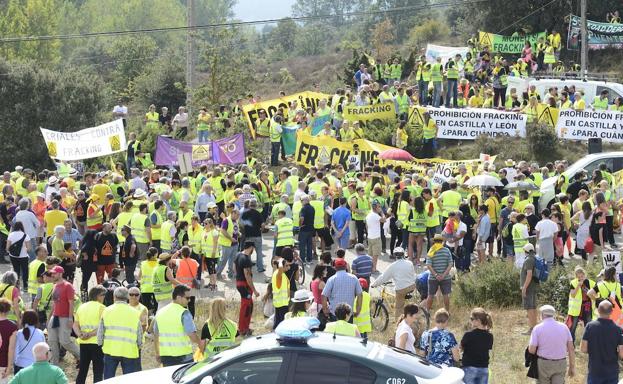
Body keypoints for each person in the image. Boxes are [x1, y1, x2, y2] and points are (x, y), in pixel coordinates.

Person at [98, 287, 142, 378]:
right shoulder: (135, 312)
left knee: (108, 378)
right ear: (127, 297)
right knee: (129, 379)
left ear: (114, 297)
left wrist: (100, 343)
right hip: (129, 350)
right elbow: (139, 333)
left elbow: (101, 331)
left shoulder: (106, 310)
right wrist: (139, 345)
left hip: (110, 350)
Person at [153, 284, 200, 367]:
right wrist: (201, 343)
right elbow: (192, 336)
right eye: (187, 298)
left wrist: (157, 353)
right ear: (178, 297)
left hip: (166, 356)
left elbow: (156, 335)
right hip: (184, 356)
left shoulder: (160, 312)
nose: (189, 300)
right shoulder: (184, 313)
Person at [528, 305, 576, 382]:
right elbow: (571, 349)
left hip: (544, 364)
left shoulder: (537, 328)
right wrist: (572, 367)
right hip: (561, 363)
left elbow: (532, 350)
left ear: (542, 315)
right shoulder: (564, 327)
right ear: (554, 315)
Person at [581, 300, 623, 384]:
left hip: (595, 370)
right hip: (612, 371)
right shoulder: (618, 329)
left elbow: (583, 349)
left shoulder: (590, 326)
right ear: (611, 312)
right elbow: (622, 354)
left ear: (598, 310)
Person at [371, 247, 416, 320]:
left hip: (401, 288)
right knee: (402, 301)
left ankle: (398, 326)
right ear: (403, 255)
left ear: (395, 256)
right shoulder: (409, 263)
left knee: (398, 308)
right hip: (412, 286)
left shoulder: (393, 266)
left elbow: (383, 277)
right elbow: (413, 275)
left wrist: (374, 284)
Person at [46, 265, 79, 366]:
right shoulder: (55, 285)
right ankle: (53, 364)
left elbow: (71, 303)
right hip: (54, 317)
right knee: (52, 341)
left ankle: (81, 356)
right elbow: (54, 303)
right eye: (52, 273)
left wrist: (70, 318)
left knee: (64, 341)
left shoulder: (68, 286)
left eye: (54, 273)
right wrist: (49, 317)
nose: (52, 274)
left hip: (65, 317)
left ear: (60, 274)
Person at [460, 308, 494, 384]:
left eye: (472, 319)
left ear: (478, 321)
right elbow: (487, 348)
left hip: (469, 368)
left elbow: (461, 348)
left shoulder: (468, 335)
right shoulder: (490, 336)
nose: (470, 321)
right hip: (484, 368)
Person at [6, 310, 45, 375]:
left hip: (20, 365)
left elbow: (15, 350)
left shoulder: (19, 333)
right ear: (36, 319)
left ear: (23, 319)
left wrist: (13, 363)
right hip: (35, 366)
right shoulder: (40, 333)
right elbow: (44, 350)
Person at [234, 242, 259, 336]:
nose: (254, 251)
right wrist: (255, 290)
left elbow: (234, 268)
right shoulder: (246, 259)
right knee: (246, 307)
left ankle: (245, 327)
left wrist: (238, 278)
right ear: (251, 247)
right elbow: (248, 276)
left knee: (249, 305)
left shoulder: (238, 255)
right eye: (253, 249)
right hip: (245, 286)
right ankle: (242, 329)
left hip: (239, 283)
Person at [566, 266, 595, 345]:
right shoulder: (574, 283)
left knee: (588, 325)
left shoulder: (591, 283)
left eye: (582, 276)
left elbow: (595, 295)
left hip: (587, 307)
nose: (580, 278)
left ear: (584, 275)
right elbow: (573, 295)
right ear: (576, 276)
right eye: (578, 276)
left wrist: (588, 292)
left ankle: (588, 344)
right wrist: (578, 286)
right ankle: (571, 344)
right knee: (573, 326)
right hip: (576, 309)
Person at [425, 234, 453, 312]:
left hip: (433, 278)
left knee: (430, 295)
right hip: (446, 277)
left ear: (434, 242)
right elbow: (450, 264)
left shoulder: (431, 251)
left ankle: (427, 312)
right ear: (442, 242)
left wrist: (436, 275)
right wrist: (443, 275)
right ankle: (447, 312)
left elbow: (428, 265)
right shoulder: (446, 250)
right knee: (446, 295)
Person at [173, 246, 199, 318]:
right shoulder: (195, 262)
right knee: (191, 305)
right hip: (192, 287)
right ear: (190, 253)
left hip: (181, 288)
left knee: (182, 306)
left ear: (182, 254)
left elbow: (171, 259)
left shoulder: (179, 261)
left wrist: (177, 252)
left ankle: (183, 320)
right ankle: (191, 320)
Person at [6, 222, 31, 291]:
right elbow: (29, 248)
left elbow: (7, 248)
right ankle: (25, 287)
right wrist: (25, 250)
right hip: (23, 256)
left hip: (13, 256)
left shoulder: (11, 235)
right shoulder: (25, 235)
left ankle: (16, 286)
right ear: (22, 227)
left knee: (16, 270)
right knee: (25, 271)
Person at [520, 243, 538, 335]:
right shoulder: (534, 258)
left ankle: (532, 329)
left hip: (529, 288)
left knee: (529, 308)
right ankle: (535, 328)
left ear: (526, 251)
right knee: (533, 307)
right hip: (534, 287)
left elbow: (529, 274)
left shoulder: (528, 260)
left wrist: (524, 288)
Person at [271, 255, 290, 330]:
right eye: (286, 265)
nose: (288, 267)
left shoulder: (281, 274)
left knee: (278, 322)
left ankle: (274, 333)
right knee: (282, 324)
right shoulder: (279, 274)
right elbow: (281, 268)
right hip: (282, 303)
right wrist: (280, 262)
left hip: (280, 302)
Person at [0, 298, 17, 380]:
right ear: (8, 310)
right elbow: (11, 348)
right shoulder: (12, 326)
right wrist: (9, 367)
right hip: (3, 363)